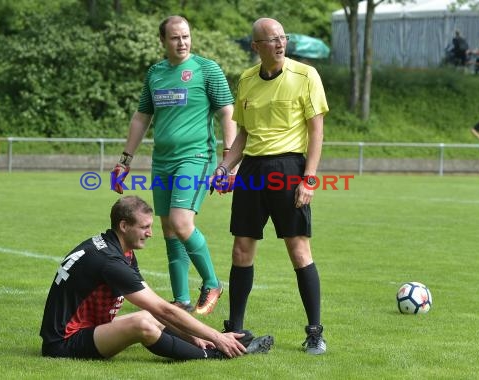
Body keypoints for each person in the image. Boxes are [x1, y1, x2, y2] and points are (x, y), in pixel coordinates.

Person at [210, 18, 329, 355]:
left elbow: (316, 131)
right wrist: (224, 167)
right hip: (251, 170)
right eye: (271, 39)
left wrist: (309, 178)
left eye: (282, 38)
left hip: (289, 166)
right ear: (255, 47)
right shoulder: (247, 79)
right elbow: (243, 134)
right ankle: (237, 330)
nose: (279, 44)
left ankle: (315, 332)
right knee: (241, 250)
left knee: (298, 249)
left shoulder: (306, 75)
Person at [39, 196, 274, 360]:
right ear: (124, 225)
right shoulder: (111, 262)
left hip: (90, 328)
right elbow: (165, 310)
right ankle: (215, 353)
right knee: (142, 325)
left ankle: (211, 345)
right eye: (145, 227)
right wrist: (215, 337)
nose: (151, 233)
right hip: (64, 344)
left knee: (151, 315)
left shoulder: (117, 248)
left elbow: (158, 308)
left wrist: (197, 337)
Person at [111, 16, 237, 315]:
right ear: (163, 41)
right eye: (175, 38)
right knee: (168, 229)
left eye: (186, 36)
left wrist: (228, 160)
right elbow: (142, 117)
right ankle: (180, 299)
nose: (182, 43)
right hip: (163, 161)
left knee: (181, 222)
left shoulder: (207, 69)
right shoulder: (155, 73)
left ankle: (213, 283)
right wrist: (124, 161)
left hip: (195, 157)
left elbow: (227, 113)